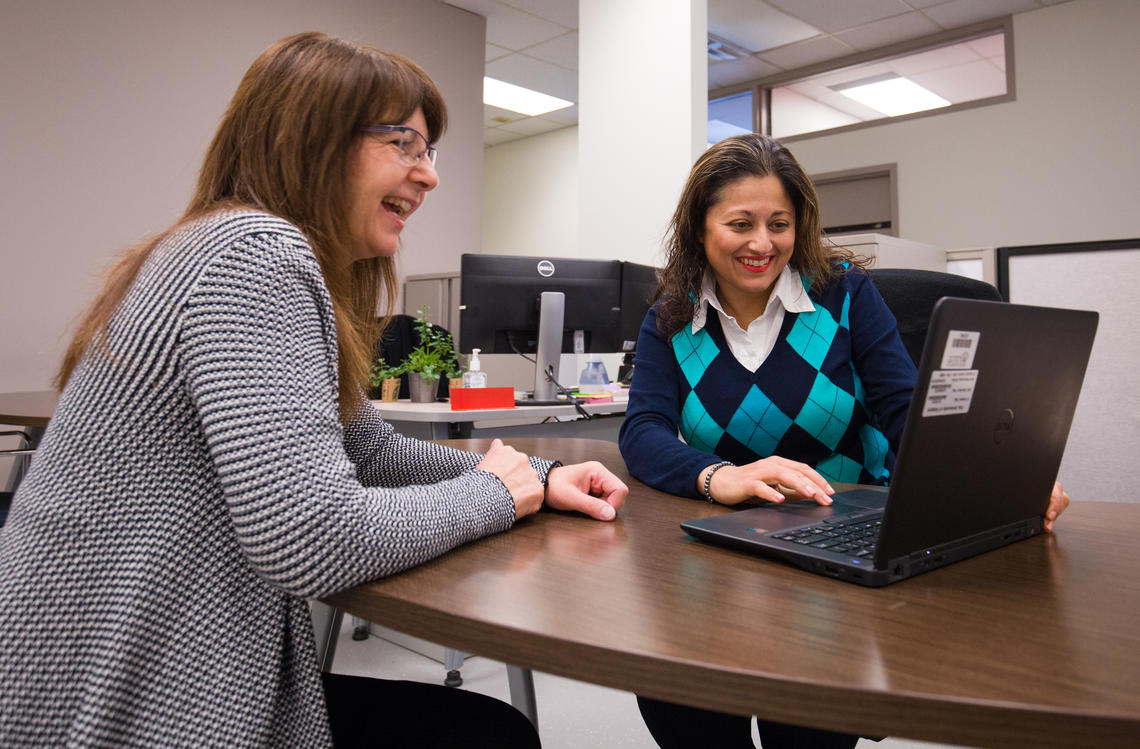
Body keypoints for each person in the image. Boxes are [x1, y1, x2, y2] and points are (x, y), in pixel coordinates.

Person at [0, 32, 628, 748]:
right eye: (406, 144)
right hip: (119, 689)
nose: (429, 176)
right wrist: (494, 493)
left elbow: (370, 453)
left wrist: (538, 479)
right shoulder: (253, 255)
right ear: (314, 138)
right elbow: (312, 536)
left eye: (430, 152)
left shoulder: (230, 247)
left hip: (141, 655)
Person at [618, 133, 1071, 749]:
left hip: (837, 544)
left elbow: (907, 412)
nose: (762, 243)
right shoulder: (670, 317)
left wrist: (1006, 478)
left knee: (809, 727)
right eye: (740, 223)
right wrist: (717, 476)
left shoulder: (847, 295)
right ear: (699, 229)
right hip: (721, 556)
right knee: (685, 707)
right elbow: (642, 431)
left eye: (780, 223)